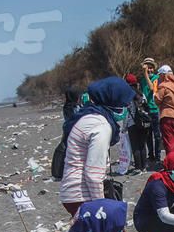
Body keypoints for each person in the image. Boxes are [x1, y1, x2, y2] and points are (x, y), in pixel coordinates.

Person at [58, 76, 135, 215]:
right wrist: (102, 208)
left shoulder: (89, 116)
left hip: (72, 192)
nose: (126, 107)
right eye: (125, 103)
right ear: (114, 101)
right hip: (81, 194)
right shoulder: (101, 126)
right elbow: (93, 174)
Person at [148, 64, 174, 162]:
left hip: (168, 117)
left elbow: (157, 100)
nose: (159, 77)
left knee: (170, 143)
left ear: (164, 75)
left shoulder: (164, 86)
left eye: (160, 75)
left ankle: (172, 165)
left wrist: (155, 92)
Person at [139, 58, 162, 167]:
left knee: (157, 135)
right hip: (146, 111)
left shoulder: (156, 78)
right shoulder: (142, 80)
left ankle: (158, 157)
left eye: (151, 67)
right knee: (148, 135)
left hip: (155, 110)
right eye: (147, 68)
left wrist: (145, 74)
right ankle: (151, 156)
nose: (149, 70)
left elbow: (152, 88)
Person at [124, 73, 149, 172]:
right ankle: (144, 166)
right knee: (142, 145)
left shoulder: (127, 96)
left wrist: (124, 127)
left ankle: (138, 167)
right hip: (143, 122)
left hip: (132, 123)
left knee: (135, 146)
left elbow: (127, 112)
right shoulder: (141, 94)